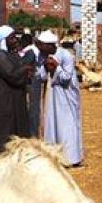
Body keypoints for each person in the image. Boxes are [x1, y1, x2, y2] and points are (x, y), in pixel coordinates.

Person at [35, 30, 84, 167]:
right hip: (51, 94)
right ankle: (53, 156)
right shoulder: (42, 55)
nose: (40, 48)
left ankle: (71, 158)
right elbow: (40, 76)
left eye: (42, 45)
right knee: (52, 123)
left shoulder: (65, 55)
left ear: (50, 45)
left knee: (67, 125)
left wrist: (56, 67)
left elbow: (67, 77)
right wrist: (45, 67)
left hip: (66, 94)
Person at [0, 25, 33, 155]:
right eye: (12, 38)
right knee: (5, 133)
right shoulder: (0, 57)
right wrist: (25, 69)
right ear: (4, 40)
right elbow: (12, 74)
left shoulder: (12, 55)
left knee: (19, 131)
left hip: (17, 101)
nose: (15, 40)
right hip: (5, 102)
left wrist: (26, 72)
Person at [21, 34, 44, 137]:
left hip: (32, 81)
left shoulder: (28, 51)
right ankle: (32, 133)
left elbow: (25, 65)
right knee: (34, 108)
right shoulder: (32, 50)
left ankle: (32, 133)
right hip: (34, 81)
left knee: (32, 108)